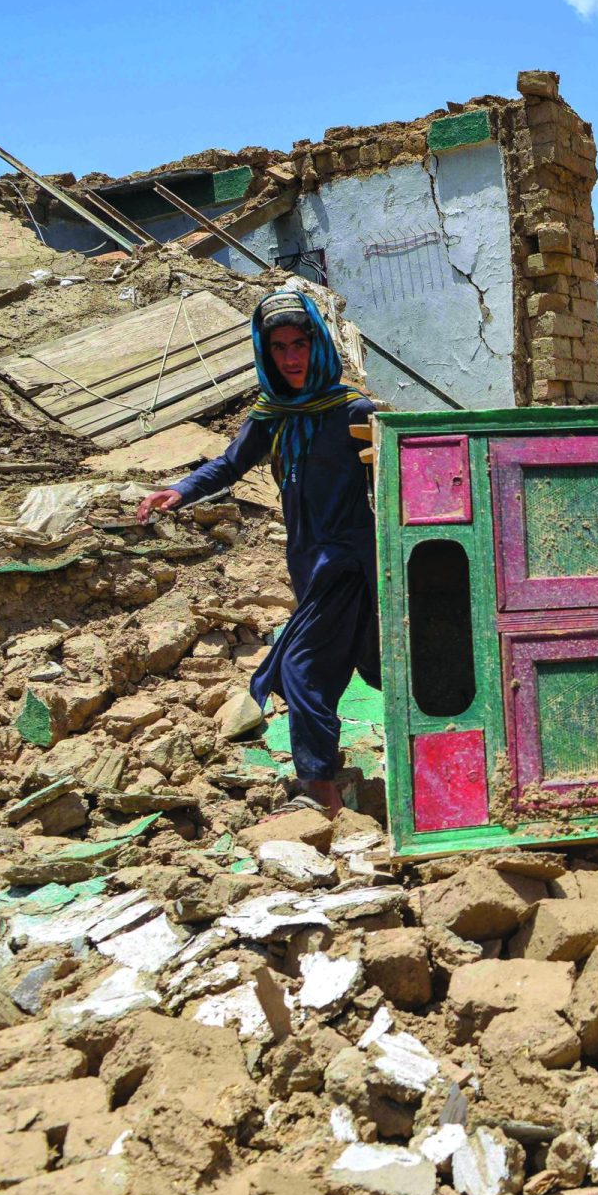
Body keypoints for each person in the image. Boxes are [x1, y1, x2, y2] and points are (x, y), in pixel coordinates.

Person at [137, 289, 380, 816]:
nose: (291, 358)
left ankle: (324, 795)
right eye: (279, 348)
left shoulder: (352, 410)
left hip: (352, 564)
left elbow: (398, 478)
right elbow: (229, 464)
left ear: (318, 345)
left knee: (301, 669)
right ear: (265, 353)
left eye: (300, 344)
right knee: (372, 665)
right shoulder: (272, 414)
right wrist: (180, 490)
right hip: (308, 567)